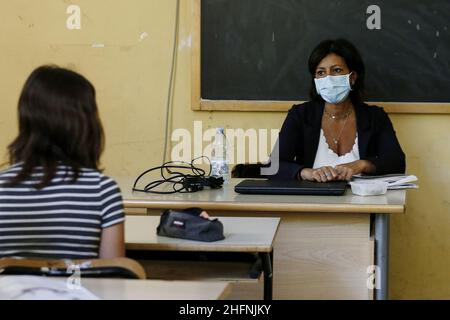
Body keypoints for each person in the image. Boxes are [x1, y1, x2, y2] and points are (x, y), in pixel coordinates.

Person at [0, 66, 125, 259]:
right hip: (75, 289)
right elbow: (113, 276)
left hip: (9, 290)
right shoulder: (103, 191)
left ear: (26, 119)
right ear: (85, 124)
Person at [272, 39, 405, 182]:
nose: (328, 78)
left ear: (352, 77)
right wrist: (306, 173)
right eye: (321, 72)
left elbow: (397, 163)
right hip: (312, 202)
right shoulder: (300, 115)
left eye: (336, 70)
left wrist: (362, 165)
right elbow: (274, 166)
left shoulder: (374, 117)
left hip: (364, 202)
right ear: (316, 80)